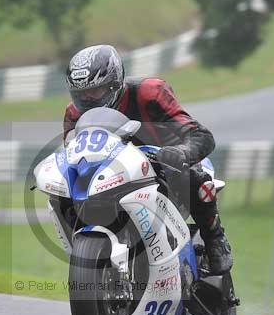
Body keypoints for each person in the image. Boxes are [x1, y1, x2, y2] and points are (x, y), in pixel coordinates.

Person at [62, 44, 233, 275]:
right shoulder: (74, 114)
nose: (88, 99)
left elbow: (201, 136)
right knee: (65, 192)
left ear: (114, 83)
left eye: (96, 91)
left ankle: (215, 239)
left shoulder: (149, 93)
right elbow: (72, 154)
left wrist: (180, 153)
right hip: (112, 174)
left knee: (196, 176)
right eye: (81, 94)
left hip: (165, 165)